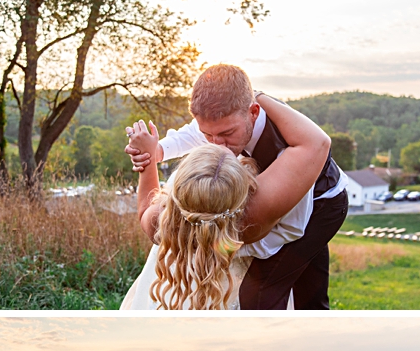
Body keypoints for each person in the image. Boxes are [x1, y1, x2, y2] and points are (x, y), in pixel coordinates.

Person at [123, 69, 345, 310]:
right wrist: (157, 152)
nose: (217, 146)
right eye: (207, 134)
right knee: (304, 287)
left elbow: (291, 229)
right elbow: (191, 134)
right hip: (253, 221)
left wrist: (229, 249)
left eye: (227, 134)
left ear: (253, 112)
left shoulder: (283, 155)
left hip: (322, 201)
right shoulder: (222, 123)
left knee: (262, 288)